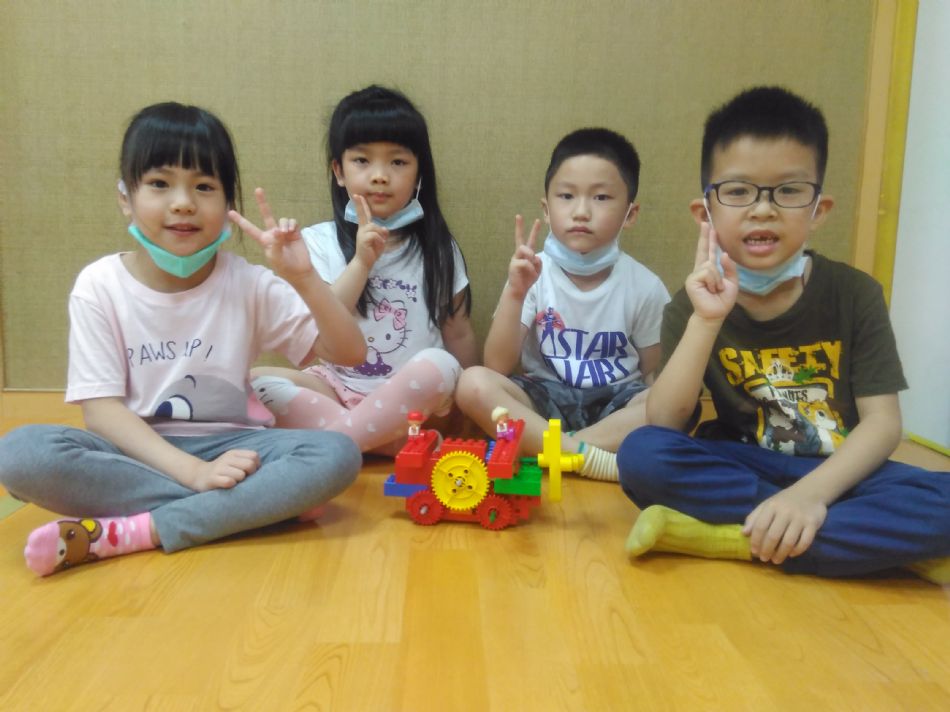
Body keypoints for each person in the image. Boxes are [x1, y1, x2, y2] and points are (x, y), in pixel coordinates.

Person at [0, 102, 366, 576]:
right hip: (135, 453)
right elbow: (101, 411)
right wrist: (194, 474)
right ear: (126, 197)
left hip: (235, 449)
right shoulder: (100, 285)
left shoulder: (247, 282)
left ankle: (135, 531)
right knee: (21, 454)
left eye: (204, 187)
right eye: (159, 183)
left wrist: (305, 279)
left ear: (228, 203)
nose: (183, 203)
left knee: (336, 455)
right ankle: (251, 508)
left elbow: (349, 354)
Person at [617, 86, 950, 583]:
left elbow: (882, 425)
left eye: (789, 191)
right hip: (744, 465)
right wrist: (706, 321)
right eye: (738, 191)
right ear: (705, 212)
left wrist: (809, 496)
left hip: (839, 474)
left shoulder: (855, 293)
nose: (763, 209)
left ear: (819, 210)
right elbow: (665, 423)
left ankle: (728, 539)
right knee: (642, 454)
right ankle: (846, 541)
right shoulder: (689, 305)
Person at [251, 85, 476, 455]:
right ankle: (386, 442)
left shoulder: (438, 248)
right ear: (338, 171)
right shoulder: (316, 243)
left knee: (438, 364)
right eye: (362, 161)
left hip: (414, 404)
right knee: (255, 383)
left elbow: (459, 330)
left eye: (398, 162)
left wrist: (467, 414)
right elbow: (319, 329)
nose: (380, 176)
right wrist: (360, 263)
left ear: (419, 172)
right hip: (336, 389)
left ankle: (344, 442)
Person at [455, 128, 670, 481]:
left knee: (673, 400)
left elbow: (653, 368)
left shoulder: (645, 286)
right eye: (567, 196)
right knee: (472, 383)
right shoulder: (533, 272)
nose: (581, 212)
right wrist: (515, 292)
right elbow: (496, 365)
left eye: (601, 197)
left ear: (630, 214)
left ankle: (557, 451)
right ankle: (583, 457)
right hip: (543, 400)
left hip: (614, 405)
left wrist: (654, 406)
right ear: (546, 208)